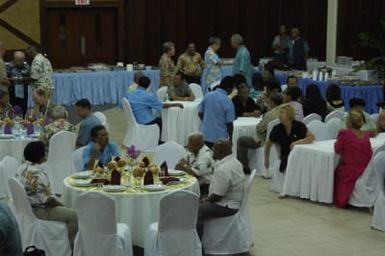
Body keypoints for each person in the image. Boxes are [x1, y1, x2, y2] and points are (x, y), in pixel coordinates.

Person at [17, 141, 78, 243]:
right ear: (40, 156)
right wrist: (60, 205)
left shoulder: (22, 168)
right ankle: (69, 244)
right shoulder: (36, 174)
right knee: (74, 215)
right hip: (40, 210)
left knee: (65, 204)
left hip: (28, 208)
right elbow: (48, 201)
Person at [197, 139, 244, 240]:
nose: (212, 150)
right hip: (232, 200)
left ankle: (198, 245)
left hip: (226, 206)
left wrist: (204, 200)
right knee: (196, 199)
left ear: (220, 152)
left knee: (196, 210)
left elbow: (217, 197)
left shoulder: (223, 169)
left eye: (214, 149)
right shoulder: (235, 161)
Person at [334, 111, 374, 208]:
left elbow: (337, 148)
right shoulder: (365, 134)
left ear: (349, 123)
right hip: (366, 168)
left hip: (351, 170)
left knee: (336, 172)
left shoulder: (345, 133)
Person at [237, 92, 283, 174]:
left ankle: (245, 167)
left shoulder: (271, 114)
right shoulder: (286, 111)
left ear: (272, 102)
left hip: (265, 140)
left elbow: (260, 128)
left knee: (241, 140)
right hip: (281, 139)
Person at [126, 76, 183, 140]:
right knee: (161, 120)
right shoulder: (147, 96)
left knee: (157, 117)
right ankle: (160, 141)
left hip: (134, 118)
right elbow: (162, 106)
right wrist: (175, 104)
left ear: (138, 83)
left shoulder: (130, 93)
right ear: (148, 86)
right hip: (145, 120)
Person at [264, 104, 315, 175]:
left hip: (300, 154)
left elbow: (311, 137)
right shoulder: (277, 129)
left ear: (289, 114)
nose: (279, 115)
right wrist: (266, 160)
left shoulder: (299, 126)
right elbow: (268, 144)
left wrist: (299, 142)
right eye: (279, 113)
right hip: (286, 155)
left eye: (282, 113)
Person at [199, 76, 236, 148]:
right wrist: (231, 138)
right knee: (219, 158)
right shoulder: (228, 101)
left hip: (205, 135)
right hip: (220, 138)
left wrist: (206, 123)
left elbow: (200, 113)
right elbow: (229, 123)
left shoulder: (207, 95)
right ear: (229, 89)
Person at [6, 51, 31, 116]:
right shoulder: (8, 66)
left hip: (23, 92)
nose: (21, 62)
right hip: (12, 92)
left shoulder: (26, 66)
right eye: (19, 60)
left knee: (23, 109)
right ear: (14, 59)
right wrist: (13, 79)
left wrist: (25, 79)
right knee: (12, 110)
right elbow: (4, 79)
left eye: (22, 60)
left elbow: (30, 78)